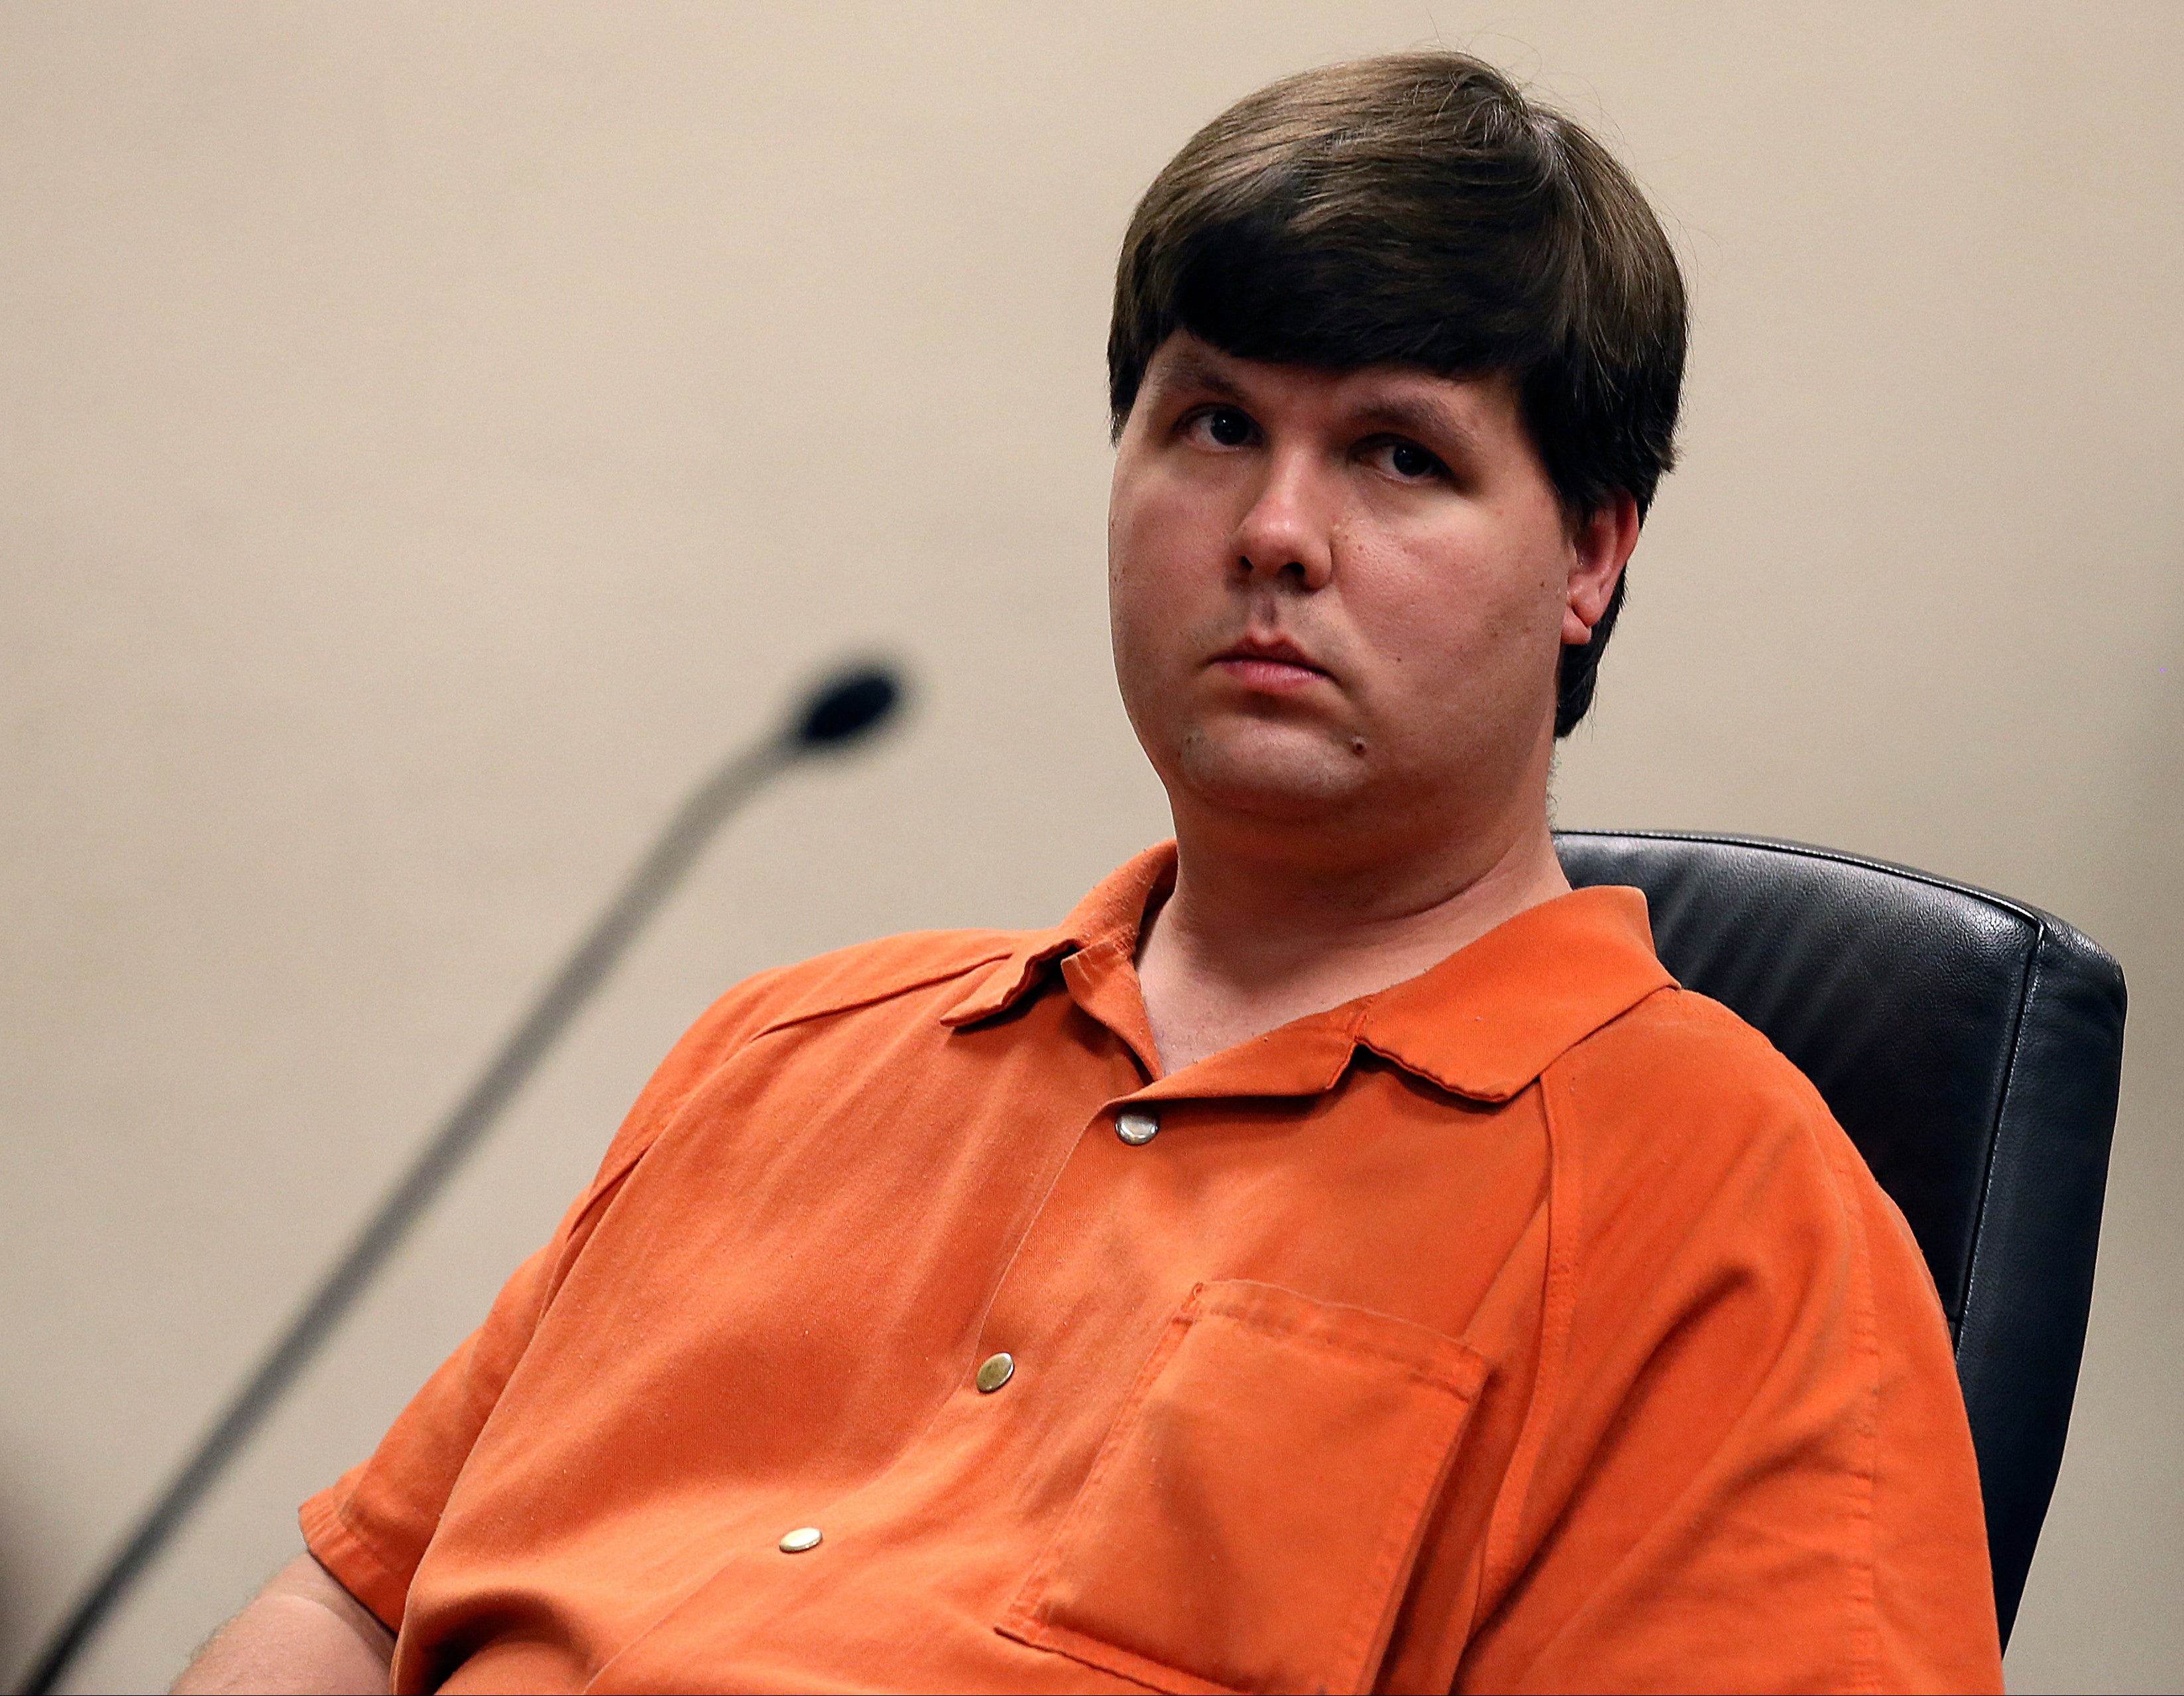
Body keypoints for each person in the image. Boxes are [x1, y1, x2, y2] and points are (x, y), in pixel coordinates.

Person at [176, 51, 2002, 1695]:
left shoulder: (1734, 1223)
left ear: (1590, 553)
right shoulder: (787, 1056)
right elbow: (347, 1607)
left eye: (1395, 454)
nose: (1275, 533)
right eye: (1212, 426)